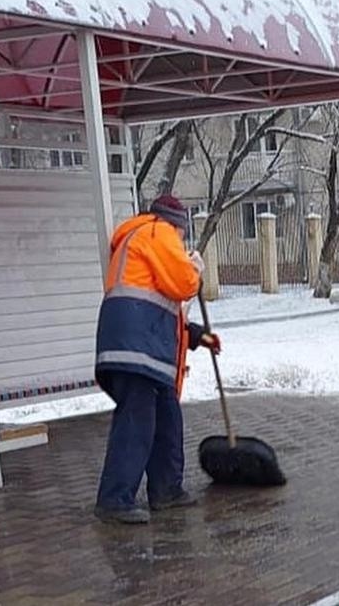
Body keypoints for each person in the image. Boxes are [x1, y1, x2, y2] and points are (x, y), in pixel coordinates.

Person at [93, 195, 221, 525]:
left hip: (133, 341)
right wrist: (193, 269)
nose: (180, 242)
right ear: (176, 225)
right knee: (137, 419)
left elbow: (164, 306)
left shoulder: (144, 240)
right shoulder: (158, 232)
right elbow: (183, 285)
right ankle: (114, 499)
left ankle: (166, 489)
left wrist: (199, 337)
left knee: (166, 414)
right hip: (134, 346)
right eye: (181, 236)